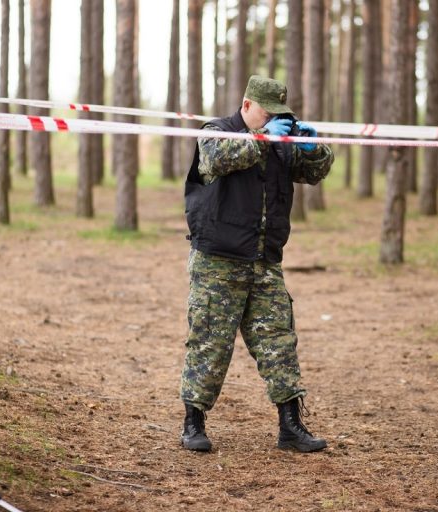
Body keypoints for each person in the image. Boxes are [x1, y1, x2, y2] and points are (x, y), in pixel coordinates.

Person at [180, 75, 334, 453]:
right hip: (219, 260)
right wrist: (263, 139)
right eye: (267, 115)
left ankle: (290, 425)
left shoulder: (279, 140)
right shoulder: (218, 132)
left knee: (279, 343)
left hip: (264, 261)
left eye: (279, 117)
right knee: (210, 345)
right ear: (247, 106)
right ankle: (193, 424)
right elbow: (214, 161)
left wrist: (313, 148)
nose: (272, 121)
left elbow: (315, 172)